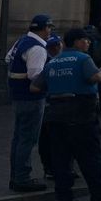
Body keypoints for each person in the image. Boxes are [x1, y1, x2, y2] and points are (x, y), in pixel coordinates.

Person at [29, 28, 101, 201]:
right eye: (85, 40)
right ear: (77, 42)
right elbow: (93, 77)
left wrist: (56, 88)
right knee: (90, 157)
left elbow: (34, 87)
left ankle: (64, 199)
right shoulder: (83, 59)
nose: (88, 43)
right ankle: (99, 196)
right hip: (81, 114)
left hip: (55, 115)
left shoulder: (53, 62)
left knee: (61, 158)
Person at [7, 14, 54, 192]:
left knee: (18, 138)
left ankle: (16, 176)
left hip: (18, 96)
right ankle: (22, 178)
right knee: (28, 138)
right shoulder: (38, 48)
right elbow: (36, 75)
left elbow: (7, 58)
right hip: (32, 98)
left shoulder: (21, 41)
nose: (50, 31)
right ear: (44, 28)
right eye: (49, 28)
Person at [38, 34, 64, 180]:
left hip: (50, 104)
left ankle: (52, 167)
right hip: (51, 104)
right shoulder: (50, 62)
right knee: (50, 138)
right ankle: (51, 167)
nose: (57, 47)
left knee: (49, 138)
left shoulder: (49, 60)